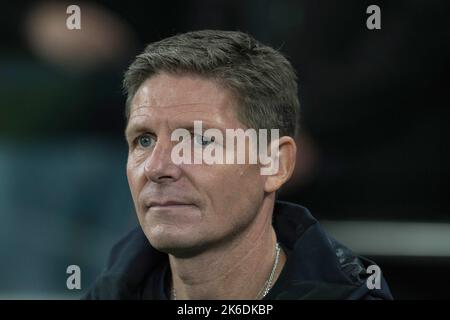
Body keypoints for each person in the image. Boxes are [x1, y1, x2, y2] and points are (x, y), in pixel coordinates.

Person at [84, 30, 392, 300]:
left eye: (200, 140)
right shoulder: (115, 288)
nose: (157, 167)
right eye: (144, 140)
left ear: (276, 163)